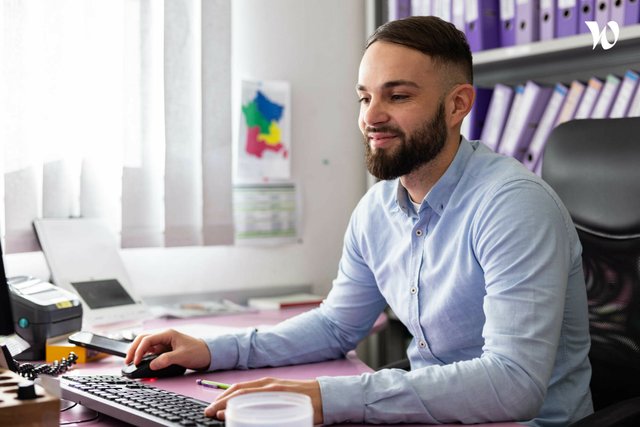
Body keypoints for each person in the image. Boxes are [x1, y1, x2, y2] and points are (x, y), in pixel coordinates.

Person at [126, 16, 593, 426]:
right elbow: (336, 327)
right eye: (364, 97)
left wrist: (328, 398)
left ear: (457, 106)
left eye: (399, 95)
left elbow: (513, 384)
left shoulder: (512, 206)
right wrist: (213, 351)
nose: (372, 116)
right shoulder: (377, 209)